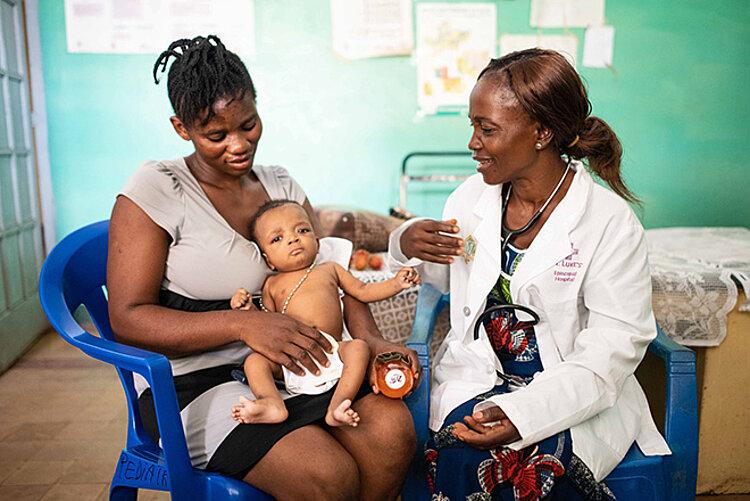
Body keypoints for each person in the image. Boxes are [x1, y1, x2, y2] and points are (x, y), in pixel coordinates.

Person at [107, 35, 419, 501]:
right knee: (328, 476)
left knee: (393, 433)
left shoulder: (280, 185)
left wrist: (370, 340)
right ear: (181, 128)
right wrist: (244, 324)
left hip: (300, 366)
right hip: (192, 382)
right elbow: (128, 317)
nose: (238, 144)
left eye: (248, 124)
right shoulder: (158, 188)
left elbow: (328, 274)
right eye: (216, 136)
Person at [388, 48, 671, 500]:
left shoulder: (609, 223)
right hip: (479, 376)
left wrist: (523, 413)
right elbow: (444, 284)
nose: (472, 143)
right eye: (472, 125)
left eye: (487, 129)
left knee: (535, 470)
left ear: (541, 133)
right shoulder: (469, 199)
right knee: (464, 454)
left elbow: (612, 348)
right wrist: (406, 242)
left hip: (571, 390)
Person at [228, 200, 420, 427]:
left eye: (302, 230)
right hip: (290, 359)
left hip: (331, 351)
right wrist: (247, 309)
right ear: (267, 258)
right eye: (277, 239)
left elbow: (364, 291)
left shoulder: (329, 269)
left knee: (359, 348)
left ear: (317, 243)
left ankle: (338, 405)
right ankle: (270, 402)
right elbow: (265, 323)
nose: (293, 239)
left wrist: (396, 283)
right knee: (254, 361)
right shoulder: (271, 284)